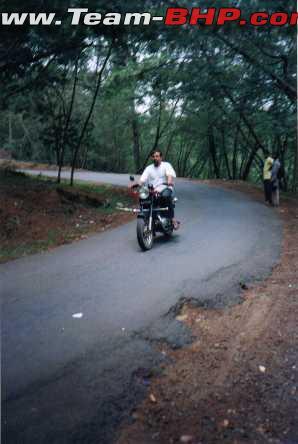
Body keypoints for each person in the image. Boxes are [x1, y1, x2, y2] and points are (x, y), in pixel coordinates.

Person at [130, 150, 180, 229]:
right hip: (152, 190)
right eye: (154, 156)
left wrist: (169, 182)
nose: (155, 158)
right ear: (152, 158)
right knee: (143, 197)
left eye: (157, 156)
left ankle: (172, 219)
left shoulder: (166, 165)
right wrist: (136, 184)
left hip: (165, 187)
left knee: (165, 196)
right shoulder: (149, 168)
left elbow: (169, 175)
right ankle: (147, 216)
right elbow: (142, 180)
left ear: (161, 157)